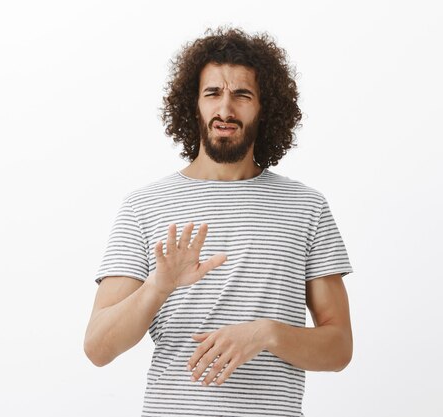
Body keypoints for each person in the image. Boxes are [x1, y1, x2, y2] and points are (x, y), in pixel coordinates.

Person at [84, 26, 354, 417]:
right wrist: (158, 287)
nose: (225, 109)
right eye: (212, 93)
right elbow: (97, 347)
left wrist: (266, 333)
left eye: (242, 95)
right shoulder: (144, 206)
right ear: (193, 104)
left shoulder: (306, 208)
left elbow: (339, 348)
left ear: (265, 108)